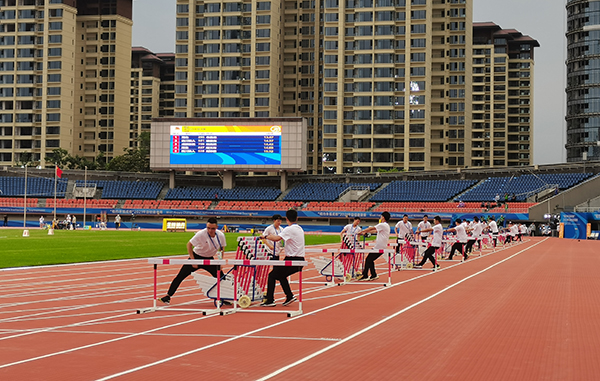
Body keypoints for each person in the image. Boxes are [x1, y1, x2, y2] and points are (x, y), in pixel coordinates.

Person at [160, 217, 226, 305]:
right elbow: (189, 244)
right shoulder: (201, 234)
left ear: (217, 227)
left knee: (221, 278)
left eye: (212, 228)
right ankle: (168, 296)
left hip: (209, 259)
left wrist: (220, 262)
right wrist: (193, 260)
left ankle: (224, 297)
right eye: (208, 228)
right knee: (180, 276)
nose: (210, 230)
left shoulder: (220, 235)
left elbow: (222, 249)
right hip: (196, 256)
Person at [260, 209, 305, 307]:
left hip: (293, 260)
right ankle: (289, 295)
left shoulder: (289, 229)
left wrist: (265, 237)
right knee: (280, 275)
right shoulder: (299, 228)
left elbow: (276, 238)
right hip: (299, 258)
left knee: (272, 275)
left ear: (286, 219)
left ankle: (270, 300)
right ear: (297, 218)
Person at [356, 211, 391, 281]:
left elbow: (371, 228)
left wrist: (362, 231)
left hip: (380, 247)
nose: (380, 218)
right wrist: (365, 233)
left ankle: (365, 275)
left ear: (383, 217)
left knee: (368, 260)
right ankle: (373, 274)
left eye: (381, 217)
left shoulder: (383, 225)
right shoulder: (385, 225)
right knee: (370, 260)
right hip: (379, 246)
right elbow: (374, 231)